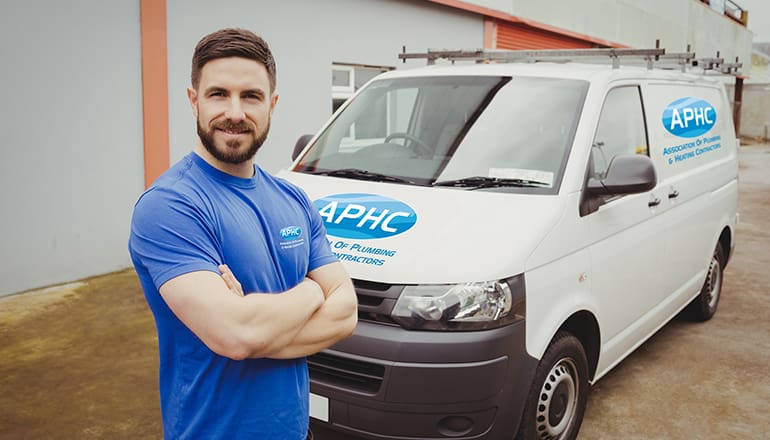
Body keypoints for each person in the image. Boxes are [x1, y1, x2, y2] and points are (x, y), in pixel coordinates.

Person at [128, 28, 357, 439]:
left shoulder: (295, 199)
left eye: (250, 96)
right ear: (193, 100)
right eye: (219, 94)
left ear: (271, 104)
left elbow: (346, 314)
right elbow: (237, 336)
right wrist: (311, 291)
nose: (235, 112)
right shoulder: (171, 205)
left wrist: (254, 323)